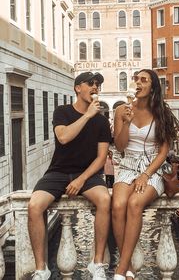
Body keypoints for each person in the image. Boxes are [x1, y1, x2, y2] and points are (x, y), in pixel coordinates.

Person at [28, 72, 112, 280]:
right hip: (58, 171)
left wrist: (81, 179)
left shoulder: (101, 122)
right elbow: (63, 137)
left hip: (87, 174)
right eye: (90, 83)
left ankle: (97, 263)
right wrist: (87, 116)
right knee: (34, 205)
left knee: (104, 200)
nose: (95, 87)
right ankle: (41, 269)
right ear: (77, 88)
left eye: (98, 85)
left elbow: (101, 158)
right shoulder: (62, 111)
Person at [112, 69, 178, 280]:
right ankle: (128, 265)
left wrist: (146, 175)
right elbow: (120, 146)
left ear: (152, 87)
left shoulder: (162, 113)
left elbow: (163, 151)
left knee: (134, 204)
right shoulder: (122, 110)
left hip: (153, 168)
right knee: (118, 205)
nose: (138, 83)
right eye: (136, 79)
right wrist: (127, 122)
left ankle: (121, 270)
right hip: (127, 164)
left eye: (144, 80)